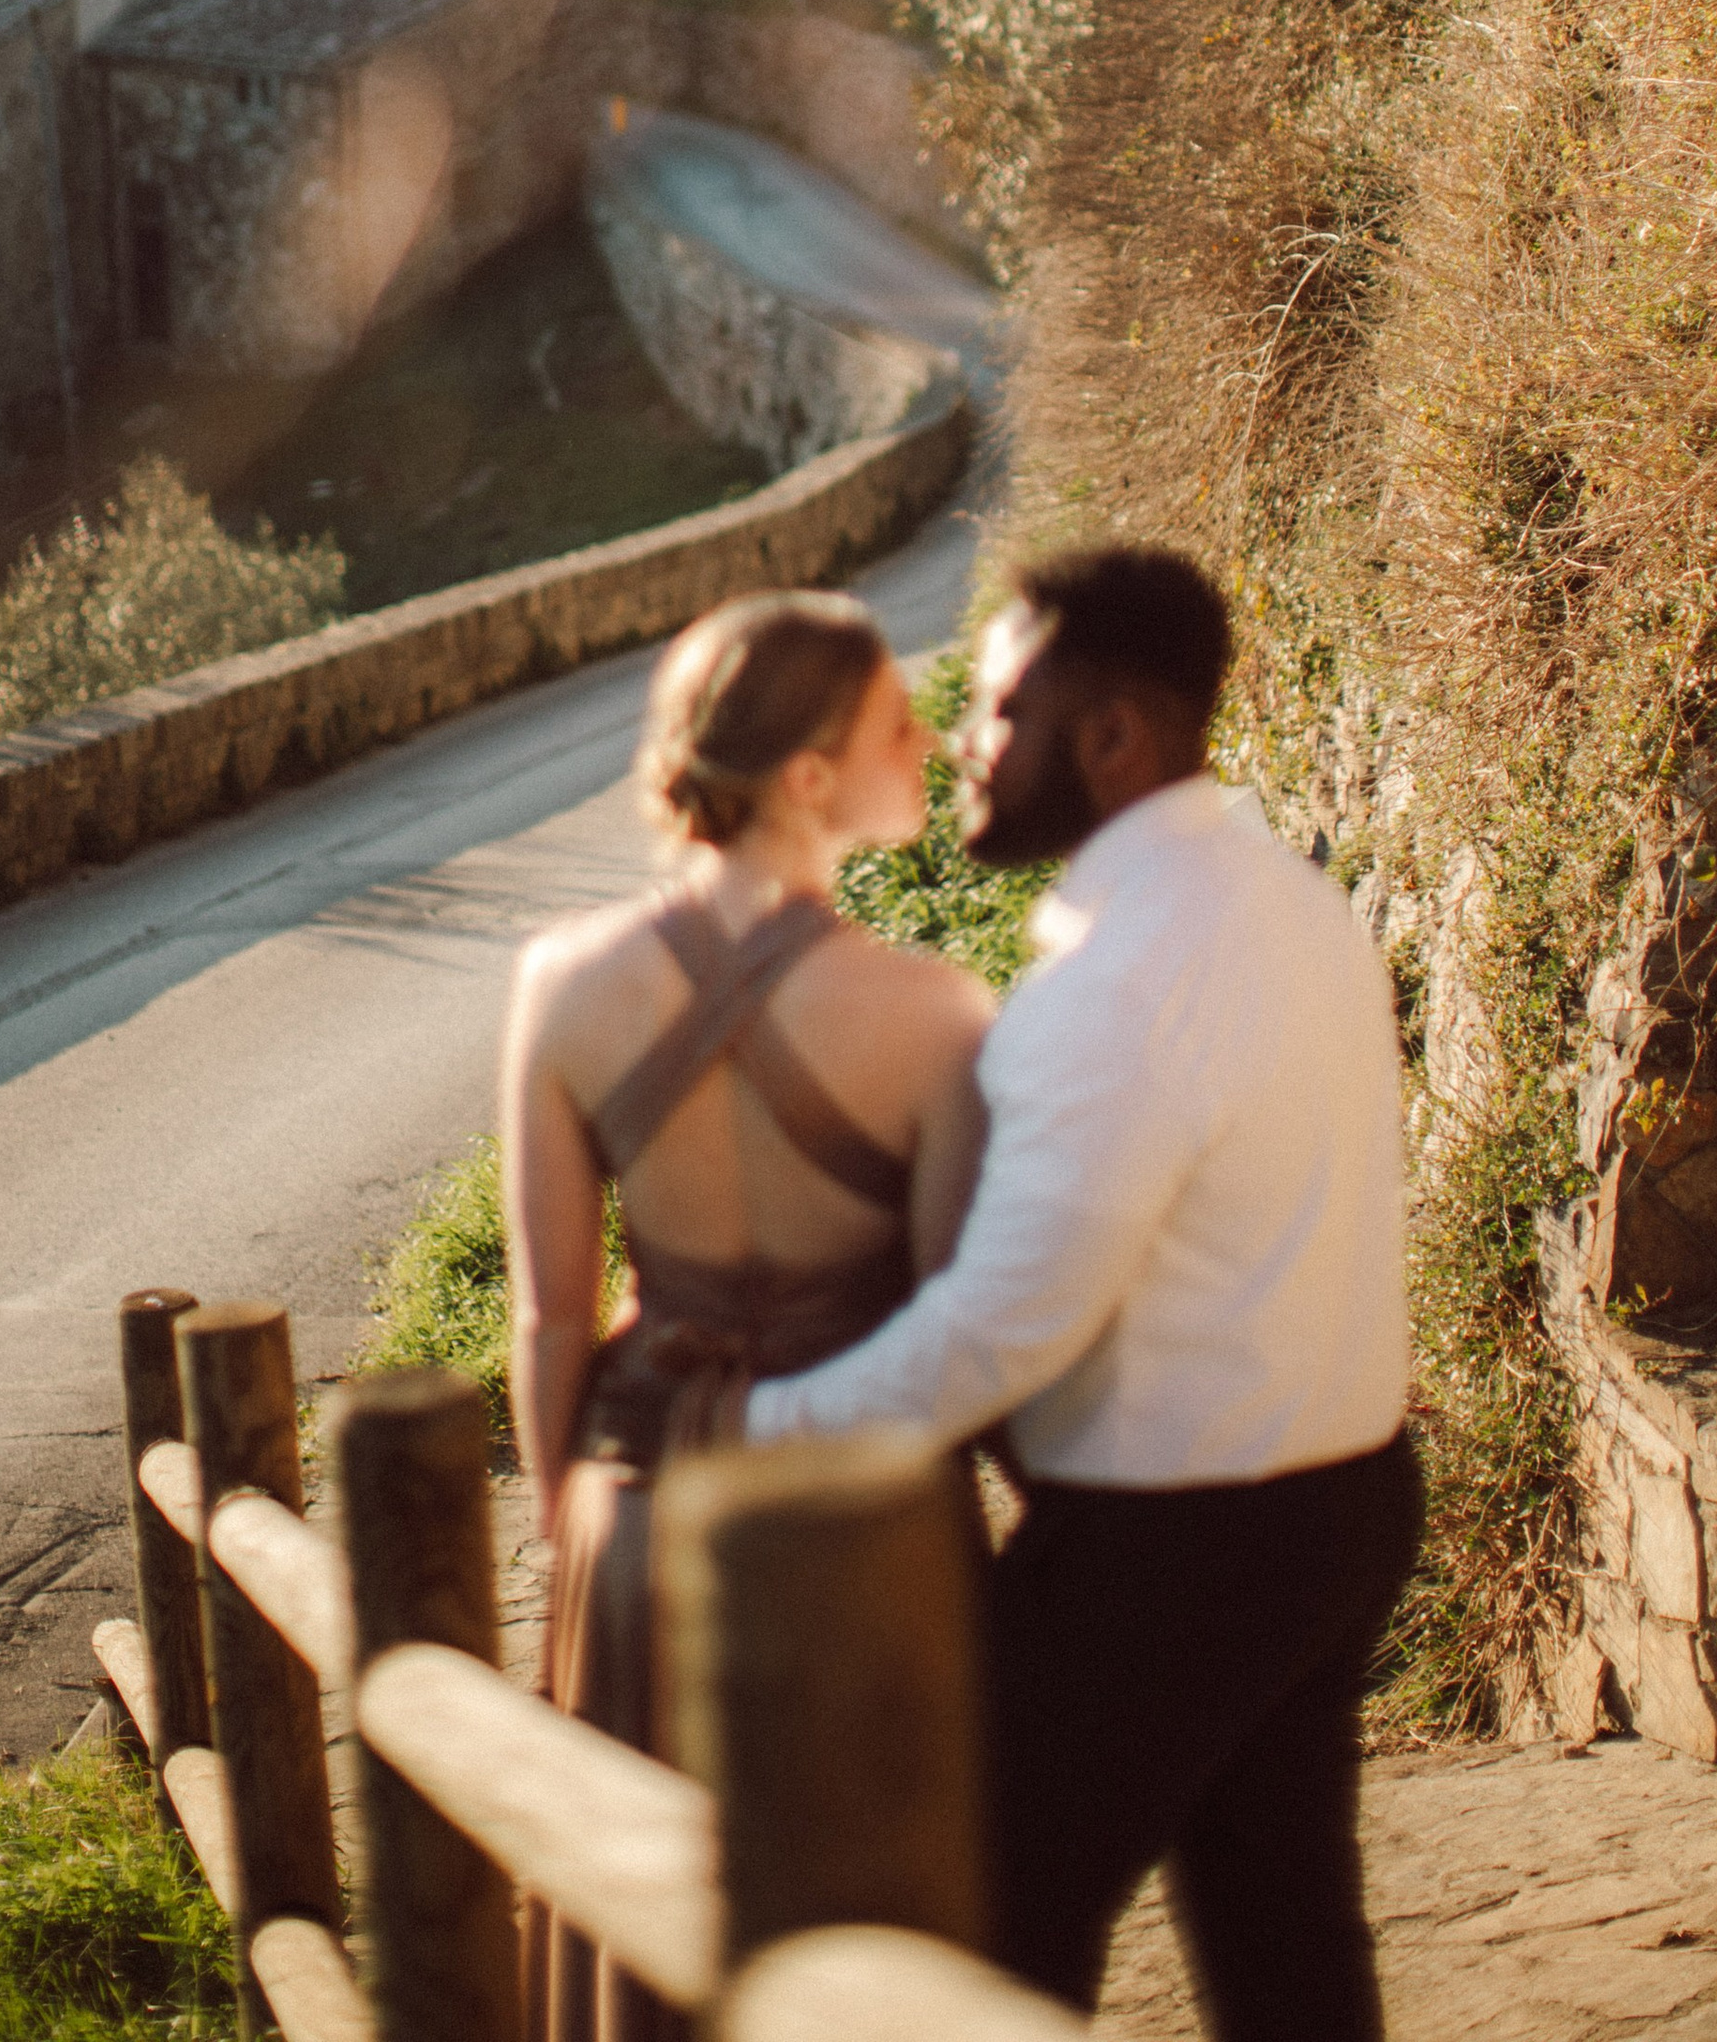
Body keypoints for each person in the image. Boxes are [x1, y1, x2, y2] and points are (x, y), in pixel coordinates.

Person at [745, 544, 1418, 2042]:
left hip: (1171, 1558)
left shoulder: (1118, 981)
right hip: (1346, 1506)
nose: (968, 742)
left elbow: (1004, 1329)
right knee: (1285, 1941)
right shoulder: (1292, 899)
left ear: (1111, 737)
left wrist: (760, 1416)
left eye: (997, 711)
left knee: (976, 1958)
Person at [501, 588, 993, 2042]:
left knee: (645, 1934)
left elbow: (548, 1315)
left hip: (642, 1505)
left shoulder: (559, 986)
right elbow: (963, 1324)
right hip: (867, 1526)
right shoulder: (938, 1014)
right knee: (867, 1940)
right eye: (898, 721)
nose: (934, 739)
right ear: (809, 779)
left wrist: (562, 1523)